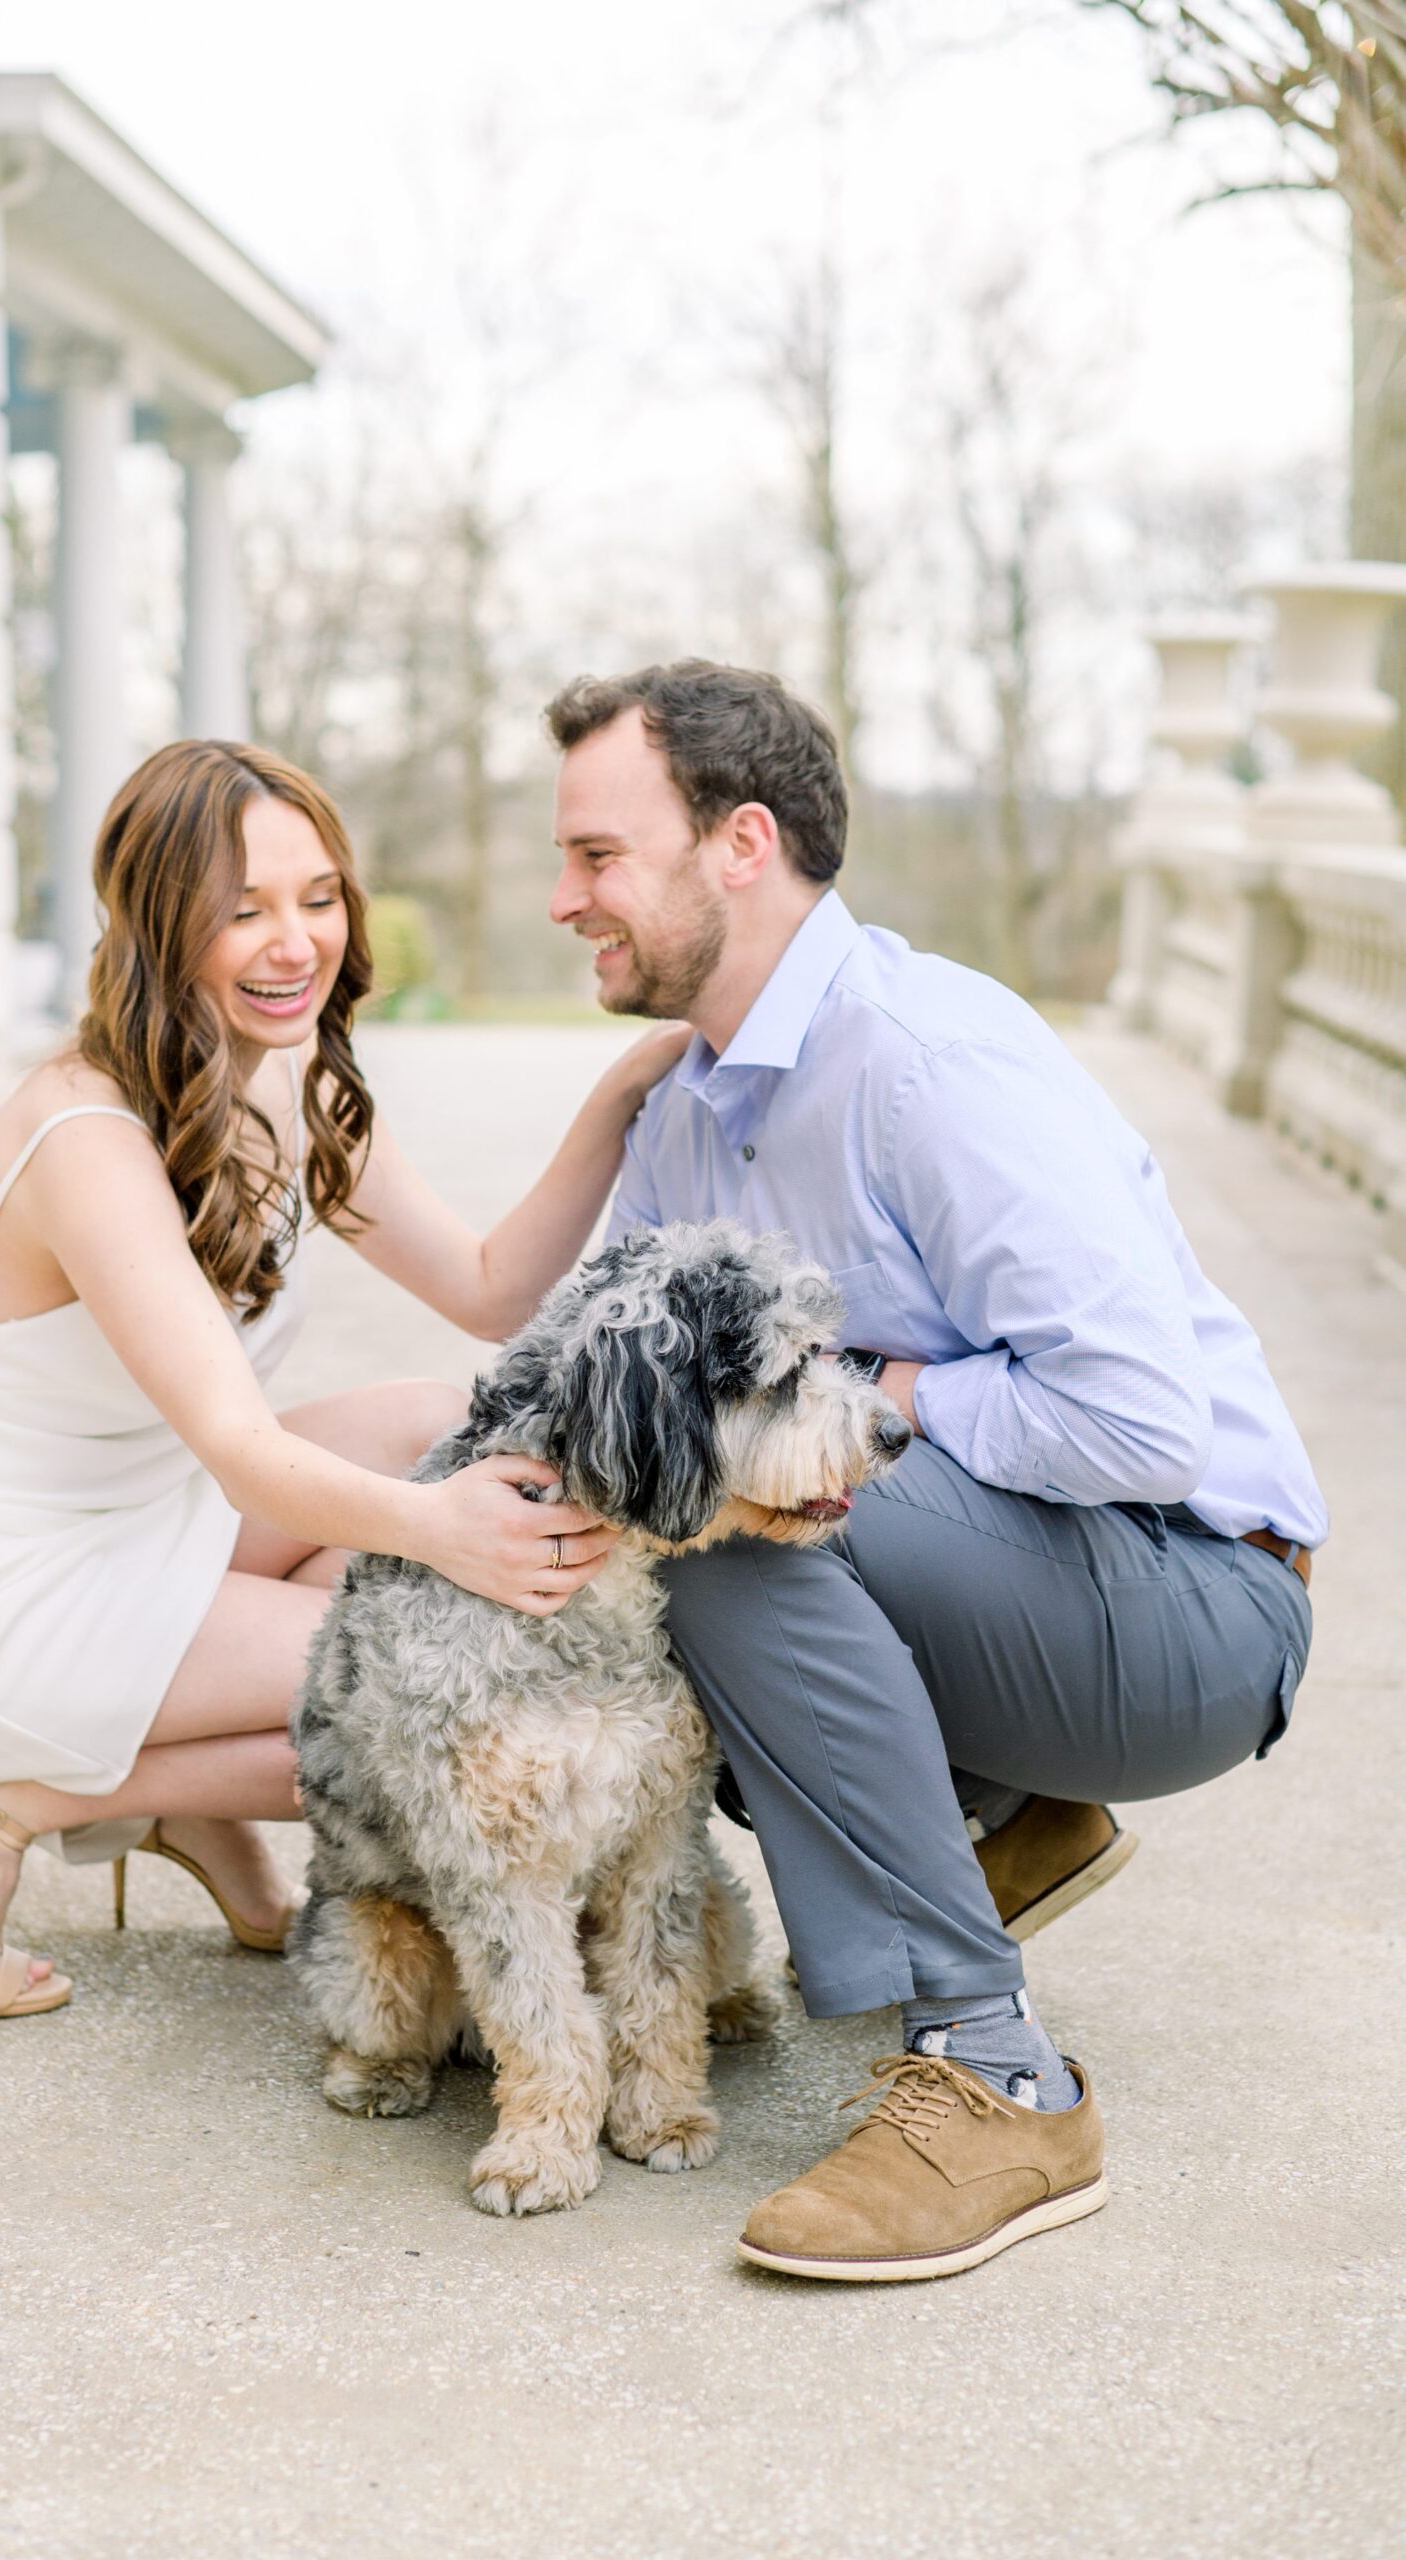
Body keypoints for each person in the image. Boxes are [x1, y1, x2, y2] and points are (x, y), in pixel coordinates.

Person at [543, 660, 1324, 2283]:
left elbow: (1136, 1428)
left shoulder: (921, 1061)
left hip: (1195, 1594)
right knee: (662, 1501)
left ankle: (996, 2074)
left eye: (599, 856)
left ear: (739, 843)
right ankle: (990, 1820)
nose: (565, 899)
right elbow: (578, 1388)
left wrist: (872, 1389)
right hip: (1033, 1579)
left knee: (732, 1519)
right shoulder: (683, 1115)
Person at [0, 738, 687, 2016]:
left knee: (439, 1422)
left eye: (316, 899)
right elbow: (237, 1444)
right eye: (241, 912)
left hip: (136, 1525)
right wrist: (446, 1535)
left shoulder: (286, 1085)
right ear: (157, 928)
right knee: (412, 1690)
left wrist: (614, 1102)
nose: (293, 942)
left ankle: (159, 1798)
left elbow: (488, 1289)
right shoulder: (83, 1134)